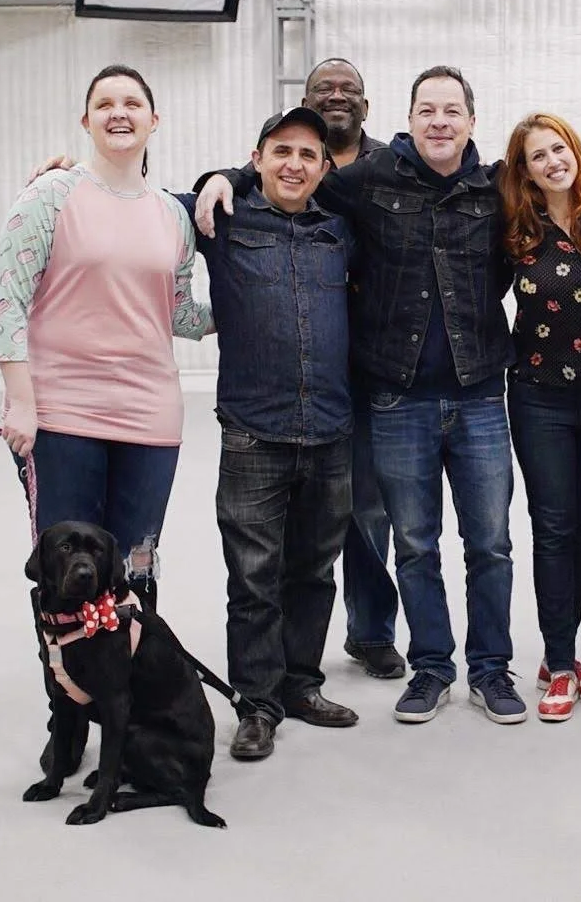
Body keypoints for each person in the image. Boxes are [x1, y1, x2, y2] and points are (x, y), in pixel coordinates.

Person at [195, 68, 581, 725]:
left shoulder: (497, 188)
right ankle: (431, 667)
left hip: (479, 397)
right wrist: (227, 176)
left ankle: (491, 669)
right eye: (427, 110)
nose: (439, 121)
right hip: (397, 400)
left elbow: (559, 186)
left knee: (490, 545)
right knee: (416, 545)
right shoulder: (367, 180)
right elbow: (292, 175)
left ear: (471, 121)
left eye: (452, 110)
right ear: (408, 118)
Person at [0, 64, 212, 771]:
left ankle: (128, 710)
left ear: (153, 120)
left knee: (129, 575)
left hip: (150, 416)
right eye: (104, 103)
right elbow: (5, 301)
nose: (119, 112)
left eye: (133, 102)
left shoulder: (173, 215)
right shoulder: (50, 195)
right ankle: (68, 723)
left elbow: (180, 312)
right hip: (64, 412)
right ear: (86, 121)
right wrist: (22, 401)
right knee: (64, 577)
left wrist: (249, 304)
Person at [184, 105, 359, 761]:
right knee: (254, 577)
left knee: (314, 571)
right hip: (253, 433)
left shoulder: (340, 230)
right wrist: (63, 179)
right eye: (281, 150)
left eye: (308, 154)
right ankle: (256, 704)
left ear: (324, 168)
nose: (294, 164)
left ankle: (300, 684)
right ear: (256, 159)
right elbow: (139, 202)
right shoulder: (223, 219)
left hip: (330, 432)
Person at [498, 113, 581, 722]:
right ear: (524, 171)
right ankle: (559, 661)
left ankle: (564, 653)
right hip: (540, 397)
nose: (553, 161)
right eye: (538, 156)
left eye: (560, 149)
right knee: (553, 527)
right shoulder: (513, 230)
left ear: (575, 151)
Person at [302, 58, 408, 682]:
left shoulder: (393, 167)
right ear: (306, 101)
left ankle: (370, 632)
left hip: (373, 366)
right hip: (302, 364)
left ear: (366, 106)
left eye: (349, 89)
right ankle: (294, 643)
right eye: (325, 88)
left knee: (369, 509)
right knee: (301, 512)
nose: (337, 95)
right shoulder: (288, 161)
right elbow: (217, 189)